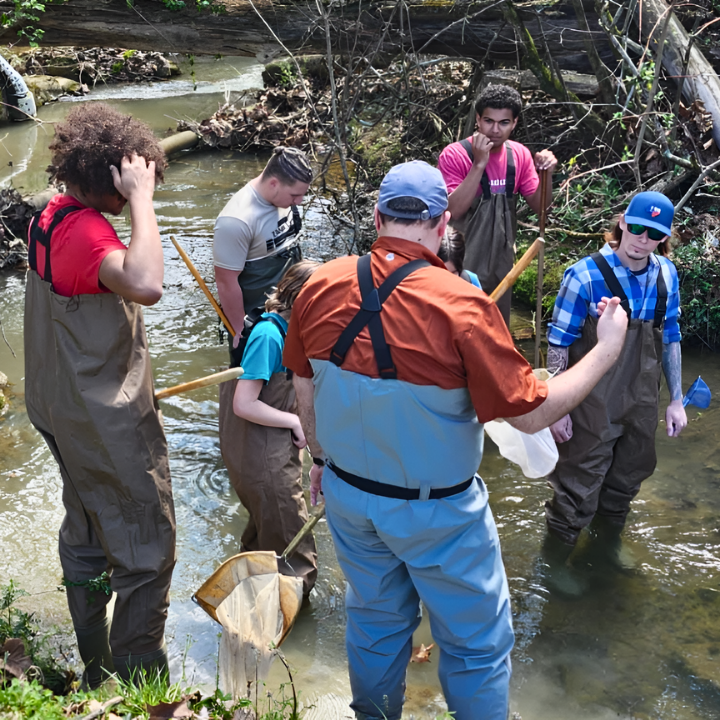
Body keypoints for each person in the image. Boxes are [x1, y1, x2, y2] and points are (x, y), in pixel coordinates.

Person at [283, 160, 629, 720]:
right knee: (475, 644)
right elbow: (531, 416)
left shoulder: (319, 285)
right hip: (438, 512)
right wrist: (607, 349)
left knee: (374, 622)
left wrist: (320, 459)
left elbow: (304, 383)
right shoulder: (464, 307)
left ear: (377, 218)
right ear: (443, 224)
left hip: (348, 497)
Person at [22, 104, 175, 688]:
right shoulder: (86, 232)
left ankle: (95, 664)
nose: (135, 188)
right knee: (147, 544)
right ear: (107, 177)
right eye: (129, 179)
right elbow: (147, 283)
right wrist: (141, 200)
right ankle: (142, 687)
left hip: (58, 404)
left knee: (87, 529)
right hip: (102, 418)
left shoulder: (52, 214)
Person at [542, 191, 688, 589]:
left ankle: (605, 545)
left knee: (628, 476)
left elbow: (670, 337)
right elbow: (558, 344)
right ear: (622, 222)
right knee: (578, 483)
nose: (642, 239)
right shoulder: (584, 276)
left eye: (653, 233)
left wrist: (676, 400)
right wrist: (557, 407)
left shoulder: (667, 275)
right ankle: (553, 564)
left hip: (642, 399)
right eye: (636, 227)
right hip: (590, 400)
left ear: (664, 237)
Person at [218, 260, 322, 597]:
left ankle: (245, 596)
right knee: (295, 551)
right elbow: (243, 403)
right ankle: (289, 612)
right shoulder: (268, 336)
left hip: (272, 453)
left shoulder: (291, 331)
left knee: (263, 537)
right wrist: (295, 421)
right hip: (262, 458)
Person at [439, 84, 558, 324]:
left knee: (495, 325)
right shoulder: (454, 155)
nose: (495, 130)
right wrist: (479, 164)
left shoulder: (519, 155)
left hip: (502, 264)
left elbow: (541, 210)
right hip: (459, 262)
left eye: (503, 123)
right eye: (488, 121)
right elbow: (453, 211)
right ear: (478, 120)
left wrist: (546, 175)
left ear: (514, 123)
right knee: (457, 324)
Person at [213, 146, 313, 343]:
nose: (299, 201)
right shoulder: (235, 221)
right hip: (258, 321)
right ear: (274, 183)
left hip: (289, 306)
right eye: (294, 195)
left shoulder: (285, 200)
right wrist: (240, 331)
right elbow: (226, 283)